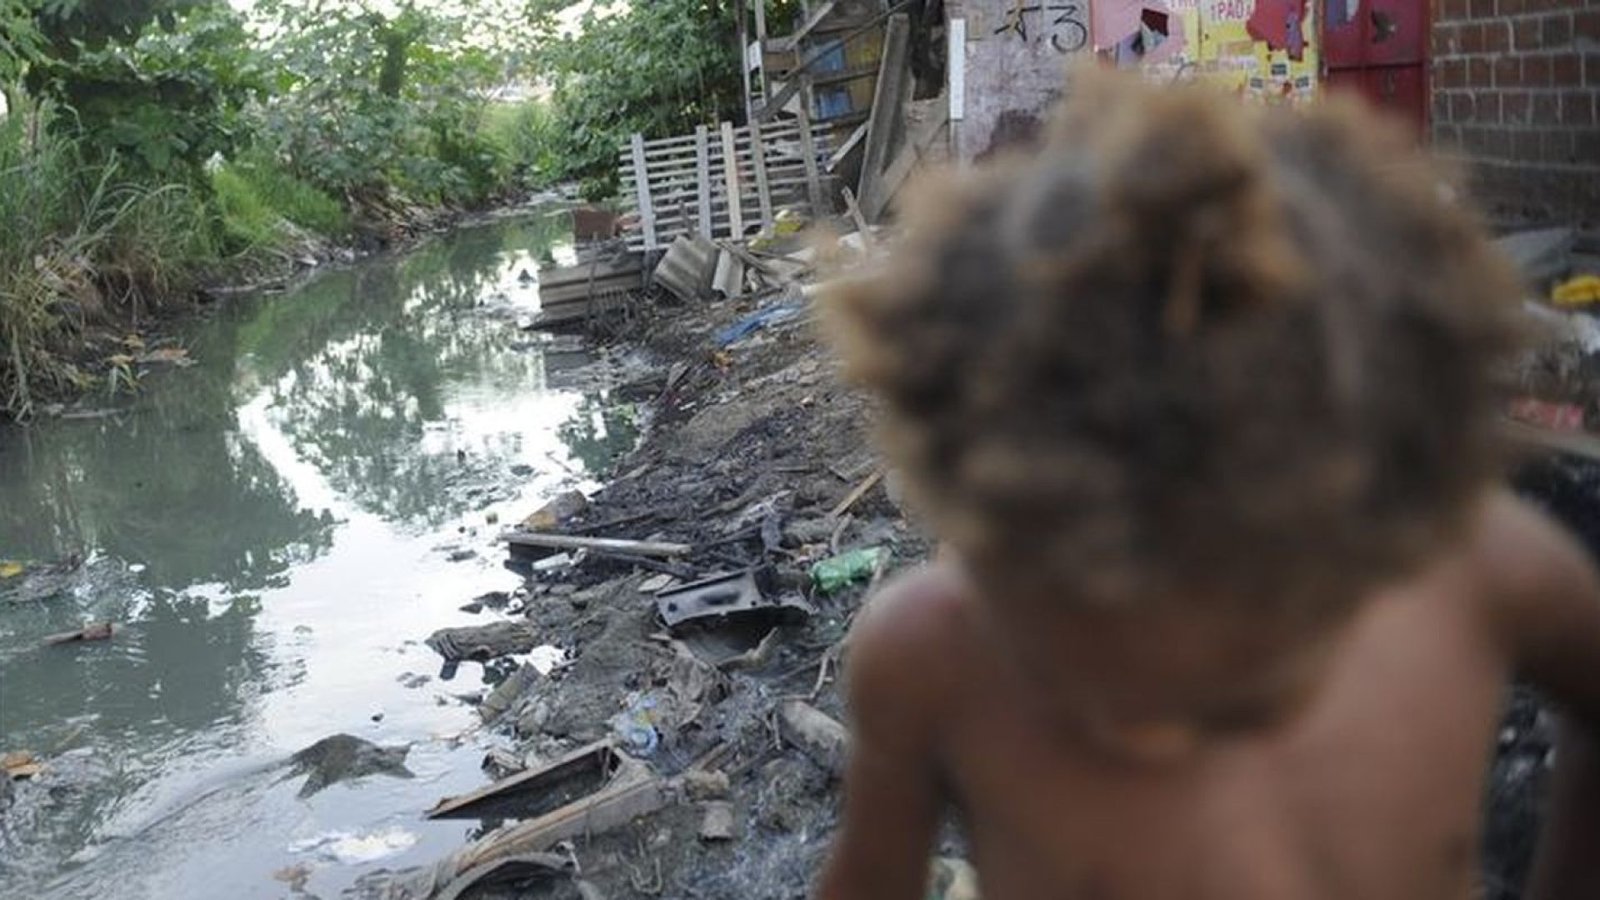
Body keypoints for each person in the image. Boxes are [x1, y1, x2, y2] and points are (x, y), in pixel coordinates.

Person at [815, 69, 1600, 900]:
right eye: (1093, 651)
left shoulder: (1477, 569)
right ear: (984, 536)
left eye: (1253, 679)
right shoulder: (931, 655)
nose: (1149, 739)